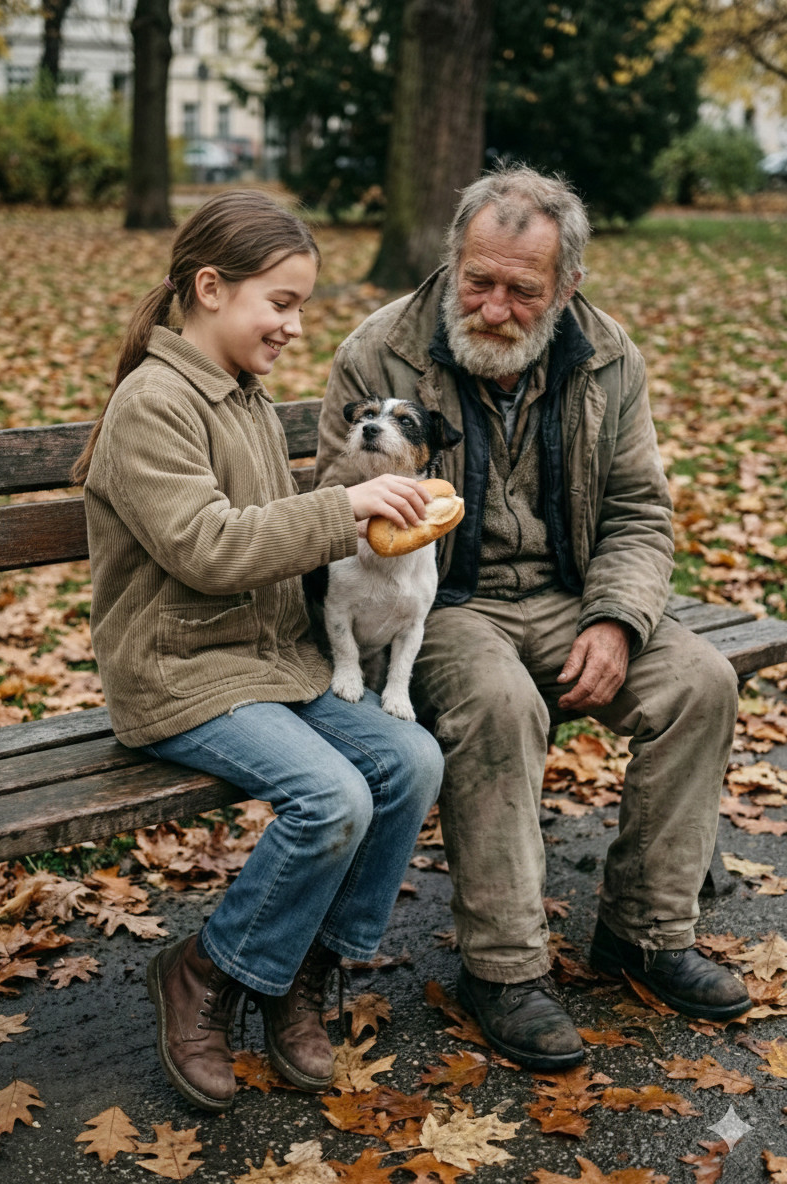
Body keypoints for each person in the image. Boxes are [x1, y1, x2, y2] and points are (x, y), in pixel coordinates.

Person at [313, 164, 751, 1073]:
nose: (496, 308)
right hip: (440, 602)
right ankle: (504, 970)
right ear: (454, 261)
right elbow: (326, 498)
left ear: (567, 288)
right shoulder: (379, 347)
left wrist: (620, 620)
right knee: (501, 705)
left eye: (524, 290)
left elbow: (638, 508)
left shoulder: (605, 352)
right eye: (479, 280)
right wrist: (374, 494)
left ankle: (643, 932)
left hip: (570, 595)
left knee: (701, 682)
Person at [71, 190, 444, 1112]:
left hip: (265, 660)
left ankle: (294, 975)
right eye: (281, 302)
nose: (294, 325)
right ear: (209, 288)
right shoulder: (153, 404)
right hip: (179, 672)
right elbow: (210, 547)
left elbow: (282, 531)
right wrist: (344, 507)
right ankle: (204, 972)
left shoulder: (242, 395)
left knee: (412, 759)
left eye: (301, 307)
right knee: (332, 796)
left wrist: (375, 504)